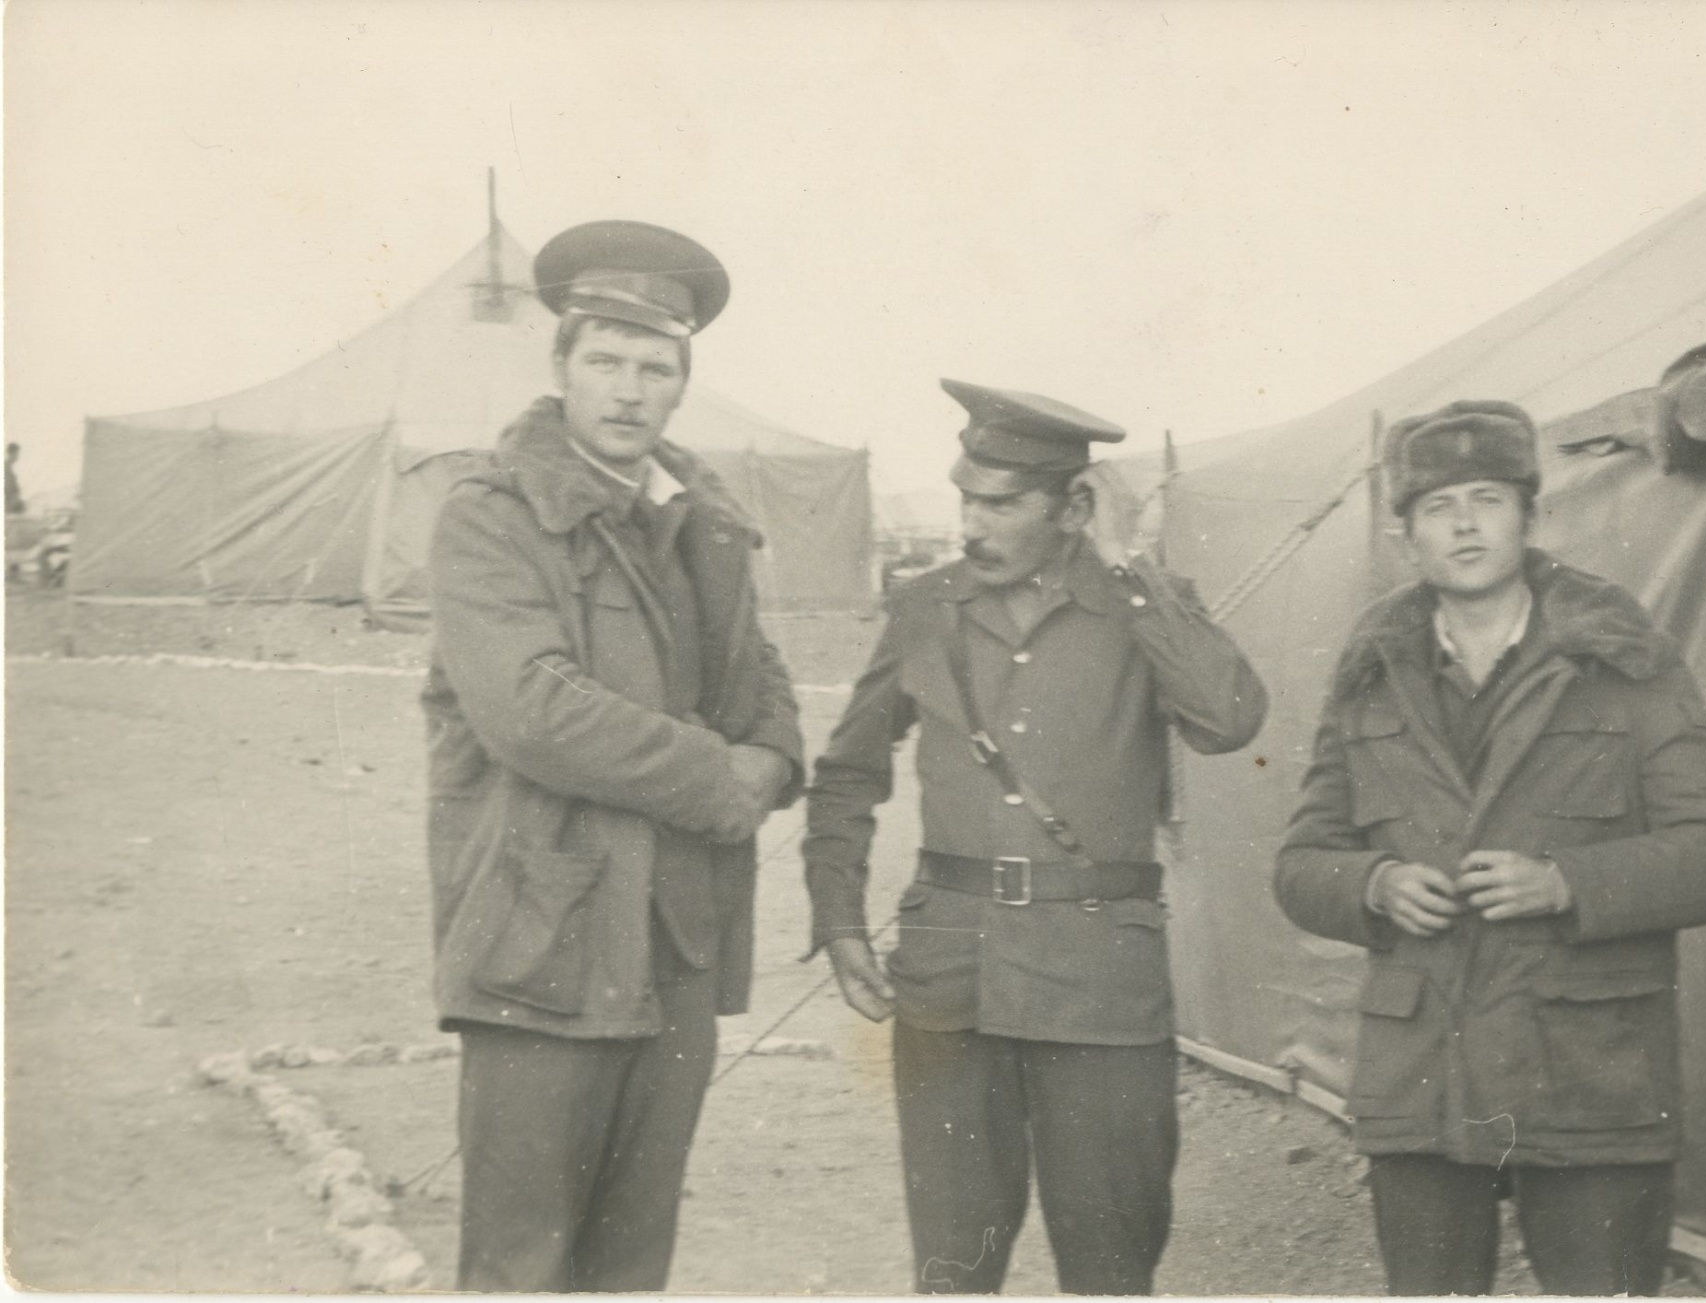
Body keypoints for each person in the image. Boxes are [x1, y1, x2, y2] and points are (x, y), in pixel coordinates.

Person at [1274, 400, 1706, 1297]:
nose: (1463, 523)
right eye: (1438, 505)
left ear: (1532, 518)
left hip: (1588, 1076)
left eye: (1487, 498)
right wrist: (1374, 883)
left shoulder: (1623, 661)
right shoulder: (1372, 677)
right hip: (1423, 1078)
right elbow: (1301, 865)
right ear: (1407, 536)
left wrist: (1566, 882)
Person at [804, 380, 1268, 1295]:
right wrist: (839, 915)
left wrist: (1131, 573)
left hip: (1100, 986)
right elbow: (848, 771)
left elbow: (1230, 718)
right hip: (952, 980)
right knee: (953, 1266)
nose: (972, 525)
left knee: (1110, 1264)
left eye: (1002, 504)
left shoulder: (1144, 605)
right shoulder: (926, 607)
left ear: (1075, 508)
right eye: (966, 499)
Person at [420, 220, 803, 1291]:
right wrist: (720, 779)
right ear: (561, 366)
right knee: (522, 1264)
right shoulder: (491, 515)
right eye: (605, 361)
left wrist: (775, 755)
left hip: (675, 940)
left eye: (654, 368)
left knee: (632, 1262)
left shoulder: (701, 521)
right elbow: (531, 710)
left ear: (682, 383)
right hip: (540, 940)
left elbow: (760, 674)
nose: (629, 391)